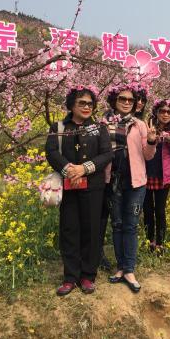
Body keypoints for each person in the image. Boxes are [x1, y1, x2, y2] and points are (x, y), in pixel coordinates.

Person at [45, 85, 113, 296]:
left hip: (93, 187)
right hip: (68, 186)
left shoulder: (99, 128)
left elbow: (106, 154)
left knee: (91, 230)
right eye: (81, 103)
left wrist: (84, 169)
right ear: (71, 105)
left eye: (90, 104)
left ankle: (87, 275)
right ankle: (70, 277)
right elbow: (51, 152)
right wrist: (69, 170)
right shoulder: (59, 127)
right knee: (69, 229)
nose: (86, 107)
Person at [101, 83, 157, 293]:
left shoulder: (140, 125)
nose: (126, 103)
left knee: (131, 225)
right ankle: (120, 267)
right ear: (114, 100)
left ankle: (129, 269)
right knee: (117, 224)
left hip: (135, 182)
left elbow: (148, 156)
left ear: (135, 104)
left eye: (130, 100)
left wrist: (151, 142)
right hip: (112, 181)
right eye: (122, 99)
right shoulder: (104, 123)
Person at [143, 99, 170, 252]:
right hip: (147, 174)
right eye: (162, 111)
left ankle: (160, 243)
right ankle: (149, 241)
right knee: (147, 210)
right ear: (156, 112)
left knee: (160, 211)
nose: (165, 114)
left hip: (163, 177)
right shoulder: (148, 127)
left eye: (169, 112)